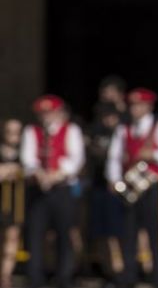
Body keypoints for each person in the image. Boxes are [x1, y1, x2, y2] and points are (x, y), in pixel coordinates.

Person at [106, 88, 158, 288]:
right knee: (128, 230)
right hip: (130, 185)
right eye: (133, 105)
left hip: (152, 184)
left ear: (149, 107)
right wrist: (114, 179)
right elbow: (114, 157)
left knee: (154, 229)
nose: (135, 109)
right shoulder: (124, 128)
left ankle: (157, 272)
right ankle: (129, 273)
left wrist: (154, 155)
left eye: (139, 105)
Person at [21, 95, 85, 288]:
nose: (46, 117)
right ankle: (35, 277)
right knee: (35, 233)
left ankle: (64, 276)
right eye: (42, 113)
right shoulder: (32, 131)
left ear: (58, 112)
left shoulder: (71, 130)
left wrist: (58, 174)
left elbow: (76, 159)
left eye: (49, 112)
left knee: (64, 233)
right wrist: (38, 173)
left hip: (62, 189)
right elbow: (28, 159)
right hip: (38, 189)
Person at [87, 101, 125, 287]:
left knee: (116, 232)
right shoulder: (94, 132)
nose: (108, 120)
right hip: (98, 186)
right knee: (100, 232)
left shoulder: (123, 132)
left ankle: (120, 270)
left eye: (111, 116)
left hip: (118, 188)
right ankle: (107, 270)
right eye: (104, 116)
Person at [0, 119, 24, 288]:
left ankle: (5, 276)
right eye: (9, 131)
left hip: (16, 201)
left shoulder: (25, 151)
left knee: (12, 237)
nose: (13, 136)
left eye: (16, 132)